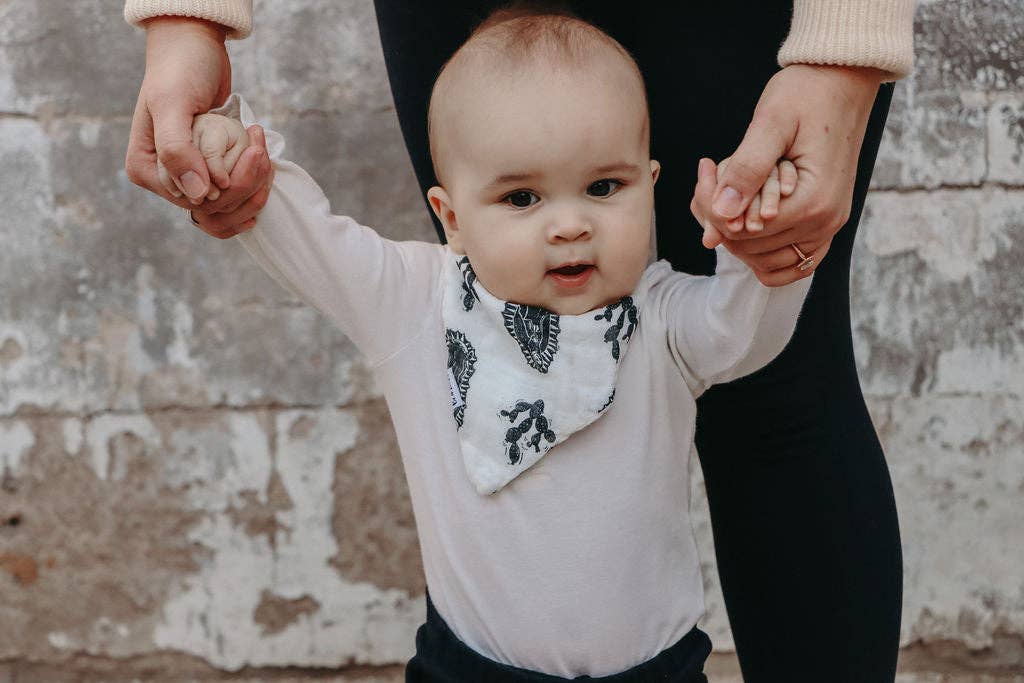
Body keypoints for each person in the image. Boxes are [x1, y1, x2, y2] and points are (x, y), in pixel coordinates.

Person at [124, 1, 917, 679]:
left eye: (604, 188)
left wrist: (753, 246)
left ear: (652, 182)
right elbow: (307, 236)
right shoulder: (415, 303)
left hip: (659, 669)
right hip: (466, 669)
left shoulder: (663, 314)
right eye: (522, 196)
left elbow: (752, 338)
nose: (568, 222)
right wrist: (215, 108)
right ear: (451, 215)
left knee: (784, 405)